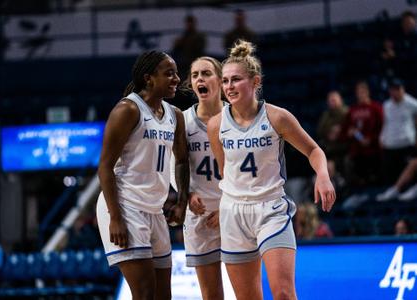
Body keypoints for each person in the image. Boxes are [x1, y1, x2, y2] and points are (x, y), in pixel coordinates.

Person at [207, 40, 336, 300]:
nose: (229, 86)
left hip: (270, 209)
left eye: (236, 80)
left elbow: (314, 151)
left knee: (284, 295)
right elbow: (224, 171)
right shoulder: (215, 125)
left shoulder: (277, 117)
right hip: (233, 213)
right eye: (226, 81)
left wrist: (323, 176)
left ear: (255, 82)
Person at [96, 50, 189, 300]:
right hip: (125, 206)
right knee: (145, 293)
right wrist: (115, 217)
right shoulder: (128, 109)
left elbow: (181, 161)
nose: (176, 79)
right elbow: (104, 167)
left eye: (177, 73)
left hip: (154, 209)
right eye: (169, 73)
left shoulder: (175, 115)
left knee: (163, 295)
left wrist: (182, 202)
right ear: (149, 78)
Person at [173, 56, 225, 299]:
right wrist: (187, 194)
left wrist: (228, 207)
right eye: (195, 75)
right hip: (200, 216)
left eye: (206, 73)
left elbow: (248, 171)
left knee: (247, 291)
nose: (200, 79)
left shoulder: (237, 116)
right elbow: (173, 167)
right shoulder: (182, 120)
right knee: (211, 294)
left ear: (220, 80)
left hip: (235, 211)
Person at [342, 80, 383, 187]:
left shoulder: (376, 108)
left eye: (363, 91)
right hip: (357, 151)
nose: (361, 94)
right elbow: (345, 131)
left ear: (368, 92)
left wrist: (371, 139)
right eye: (359, 92)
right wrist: (349, 133)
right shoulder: (352, 110)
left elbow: (382, 127)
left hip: (374, 148)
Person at [380, 78, 417, 185]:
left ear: (402, 89)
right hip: (390, 143)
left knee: (408, 172)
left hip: (407, 143)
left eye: (397, 89)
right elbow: (386, 123)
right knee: (391, 174)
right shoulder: (386, 105)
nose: (395, 92)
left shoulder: (413, 103)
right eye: (392, 89)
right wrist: (382, 137)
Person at [172, 15, 206, 80]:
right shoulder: (184, 36)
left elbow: (199, 48)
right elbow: (176, 49)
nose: (189, 25)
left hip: (195, 61)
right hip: (184, 63)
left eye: (191, 22)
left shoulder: (199, 37)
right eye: (188, 23)